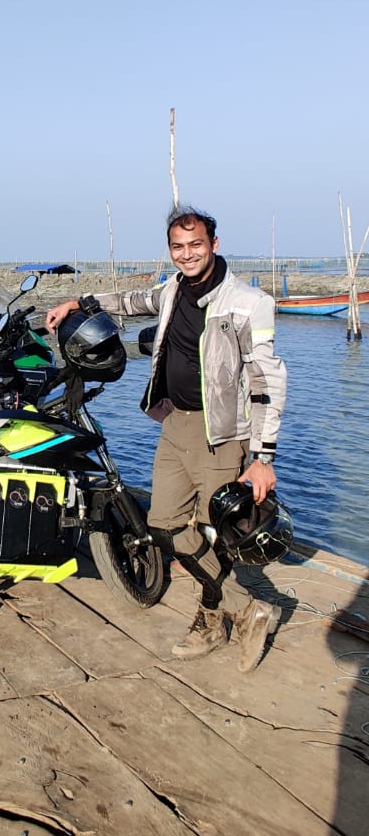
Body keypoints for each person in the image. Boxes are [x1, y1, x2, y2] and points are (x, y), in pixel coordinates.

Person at [46, 205, 287, 674]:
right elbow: (136, 301)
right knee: (165, 525)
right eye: (178, 247)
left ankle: (211, 620)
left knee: (210, 531)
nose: (187, 254)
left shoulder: (248, 303)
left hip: (221, 433)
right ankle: (247, 608)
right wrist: (81, 303)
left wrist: (262, 457)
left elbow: (267, 381)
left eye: (196, 245)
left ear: (214, 245)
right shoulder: (174, 288)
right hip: (175, 423)